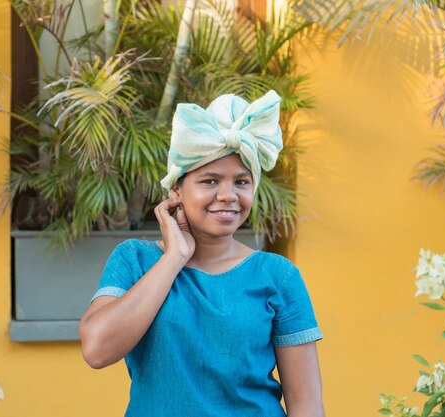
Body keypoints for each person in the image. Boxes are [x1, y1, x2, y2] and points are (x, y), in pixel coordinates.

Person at [79, 91, 325, 417]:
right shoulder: (134, 260)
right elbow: (97, 350)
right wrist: (174, 258)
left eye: (241, 181)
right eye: (209, 180)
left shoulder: (278, 275)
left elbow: (305, 403)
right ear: (176, 189)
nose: (228, 196)